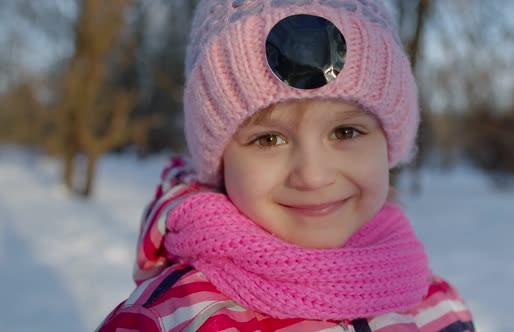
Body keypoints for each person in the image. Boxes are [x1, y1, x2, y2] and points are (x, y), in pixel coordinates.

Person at [97, 0, 475, 331]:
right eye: (268, 139)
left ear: (390, 142)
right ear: (221, 159)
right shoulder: (173, 317)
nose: (313, 176)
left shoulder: (437, 305)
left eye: (346, 132)